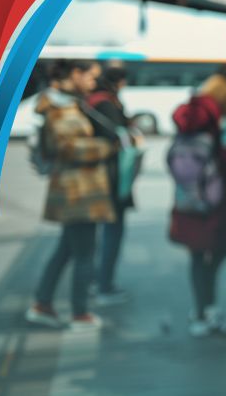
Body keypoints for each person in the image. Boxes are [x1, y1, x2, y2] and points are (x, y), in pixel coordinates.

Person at [25, 60, 114, 332]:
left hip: (79, 189)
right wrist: (109, 146)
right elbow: (68, 147)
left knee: (66, 250)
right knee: (85, 253)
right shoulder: (59, 107)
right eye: (90, 77)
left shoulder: (67, 103)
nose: (93, 83)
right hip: (78, 192)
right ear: (75, 74)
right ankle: (80, 313)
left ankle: (43, 303)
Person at [168, 66, 226, 337]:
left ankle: (200, 310)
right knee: (217, 253)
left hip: (188, 206)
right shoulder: (217, 138)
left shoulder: (185, 133)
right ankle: (208, 310)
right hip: (215, 209)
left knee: (197, 256)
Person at [87, 65, 134, 306]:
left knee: (99, 234)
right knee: (112, 232)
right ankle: (103, 285)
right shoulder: (106, 103)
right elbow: (116, 137)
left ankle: (97, 281)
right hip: (112, 177)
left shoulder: (94, 100)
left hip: (99, 177)